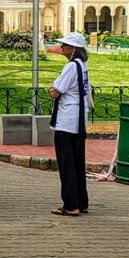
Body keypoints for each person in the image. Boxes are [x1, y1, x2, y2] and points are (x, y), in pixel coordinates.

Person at [49, 32, 91, 217]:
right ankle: (81, 201)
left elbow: (56, 91)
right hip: (79, 119)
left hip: (67, 120)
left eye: (66, 45)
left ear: (74, 49)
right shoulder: (82, 66)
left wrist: (52, 89)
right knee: (77, 162)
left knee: (66, 164)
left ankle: (70, 204)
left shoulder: (70, 67)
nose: (62, 48)